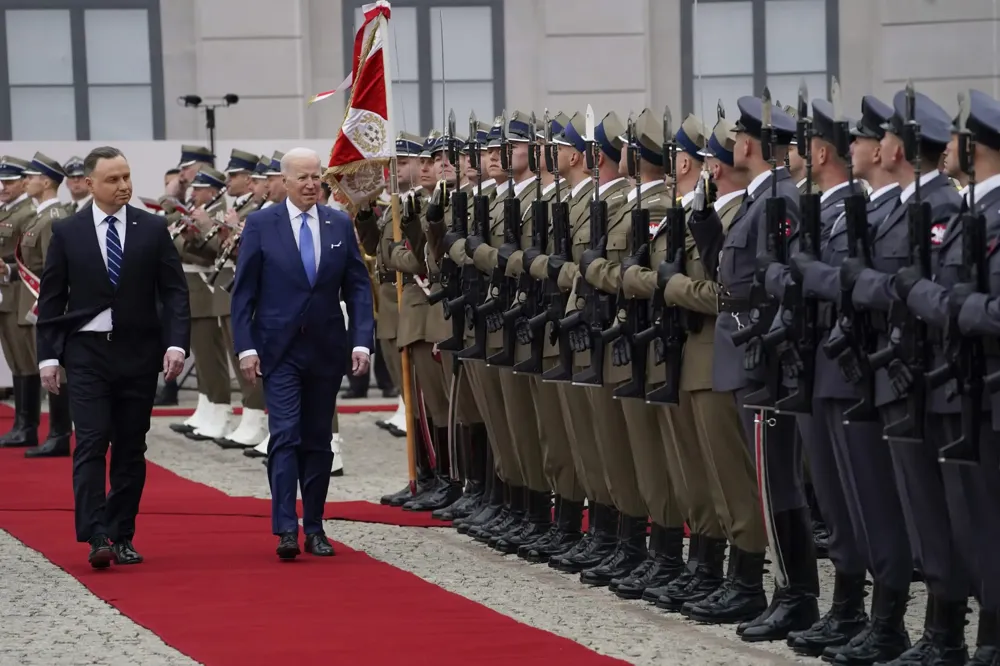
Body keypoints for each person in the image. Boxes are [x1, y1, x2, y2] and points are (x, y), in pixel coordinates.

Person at [34, 146, 190, 568]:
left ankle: (122, 533)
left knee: (129, 448)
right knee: (90, 442)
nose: (123, 186)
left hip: (138, 354)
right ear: (89, 184)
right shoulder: (67, 232)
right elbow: (51, 299)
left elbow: (174, 291)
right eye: (112, 179)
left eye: (126, 177)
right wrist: (48, 356)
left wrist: (176, 344)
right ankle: (96, 533)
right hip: (86, 354)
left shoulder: (152, 228)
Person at [230, 147, 373, 560]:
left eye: (317, 178)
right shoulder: (261, 224)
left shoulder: (338, 223)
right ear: (285, 182)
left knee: (318, 441)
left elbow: (358, 287)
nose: (312, 184)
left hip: (327, 349)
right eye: (303, 178)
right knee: (285, 434)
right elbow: (244, 295)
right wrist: (246, 348)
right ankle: (285, 528)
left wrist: (361, 340)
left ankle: (315, 525)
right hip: (279, 348)